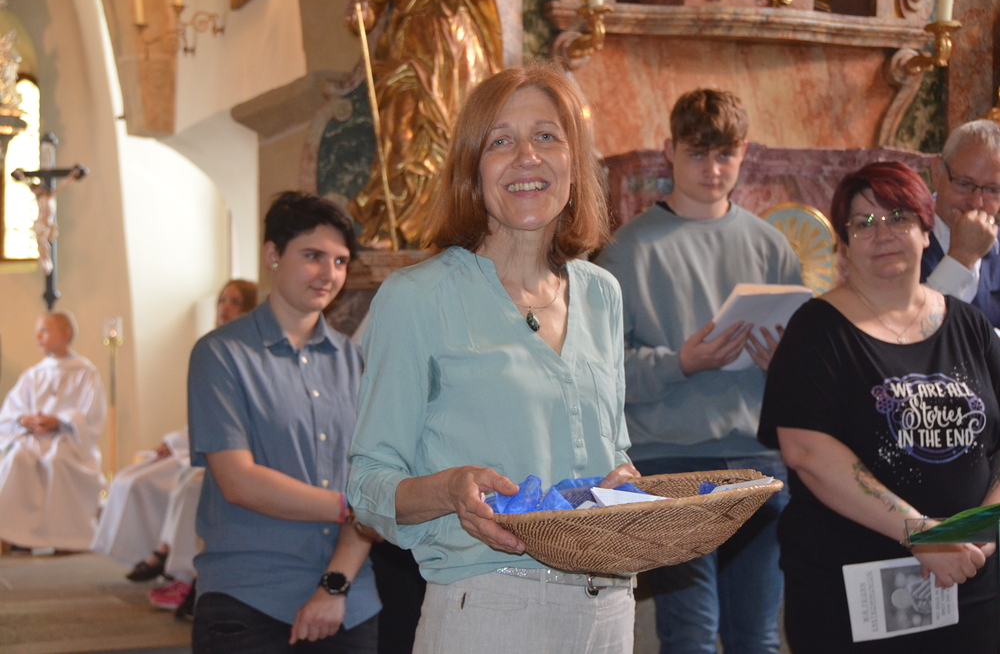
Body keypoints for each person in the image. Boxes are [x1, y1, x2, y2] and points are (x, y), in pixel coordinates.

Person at [347, 64, 638, 654]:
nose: (527, 156)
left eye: (547, 136)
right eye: (501, 141)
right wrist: (450, 490)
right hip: (489, 607)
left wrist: (623, 484)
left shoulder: (601, 293)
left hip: (609, 607)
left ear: (575, 164)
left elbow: (614, 448)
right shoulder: (417, 298)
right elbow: (367, 485)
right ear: (471, 170)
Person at [759, 161, 1000, 653]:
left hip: (970, 587)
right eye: (863, 223)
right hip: (853, 596)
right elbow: (806, 450)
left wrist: (975, 532)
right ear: (845, 246)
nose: (883, 233)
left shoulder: (970, 326)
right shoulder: (816, 330)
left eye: (899, 218)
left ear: (926, 231)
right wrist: (922, 535)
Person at [596, 89, 801, 654]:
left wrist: (783, 365)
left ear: (744, 153)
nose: (713, 169)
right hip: (671, 462)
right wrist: (681, 362)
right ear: (670, 151)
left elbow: (804, 370)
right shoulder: (627, 250)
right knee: (691, 633)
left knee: (758, 636)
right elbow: (601, 375)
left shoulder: (771, 246)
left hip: (759, 458)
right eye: (697, 154)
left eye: (725, 154)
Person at [189, 193, 380, 652]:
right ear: (273, 254)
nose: (328, 274)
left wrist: (335, 586)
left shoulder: (355, 362)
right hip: (250, 595)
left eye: (340, 261)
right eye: (313, 256)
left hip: (349, 600)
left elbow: (373, 480)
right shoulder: (221, 354)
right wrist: (350, 508)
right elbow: (239, 481)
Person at [91, 279, 257, 613]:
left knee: (190, 483)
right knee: (139, 476)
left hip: (236, 450)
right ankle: (168, 561)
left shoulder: (251, 352)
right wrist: (173, 441)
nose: (225, 307)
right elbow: (204, 413)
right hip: (204, 443)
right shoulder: (215, 347)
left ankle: (177, 568)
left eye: (234, 302)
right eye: (222, 300)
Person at [346, 0, 503, 246]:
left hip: (460, 44)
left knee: (463, 136)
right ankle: (396, 222)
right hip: (412, 42)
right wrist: (362, 12)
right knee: (401, 137)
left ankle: (462, 222)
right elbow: (370, 2)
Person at [0, 311, 107, 551]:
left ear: (65, 334)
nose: (38, 337)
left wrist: (59, 421)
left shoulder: (85, 372)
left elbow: (91, 415)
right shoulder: (34, 374)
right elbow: (10, 411)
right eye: (37, 332)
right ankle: (19, 536)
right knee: (18, 458)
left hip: (67, 439)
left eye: (45, 331)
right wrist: (25, 419)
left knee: (57, 460)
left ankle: (66, 538)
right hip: (33, 439)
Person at [921, 119, 1000, 326]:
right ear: (937, 172)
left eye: (992, 190)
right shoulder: (900, 237)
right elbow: (909, 329)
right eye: (964, 184)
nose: (976, 203)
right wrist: (962, 257)